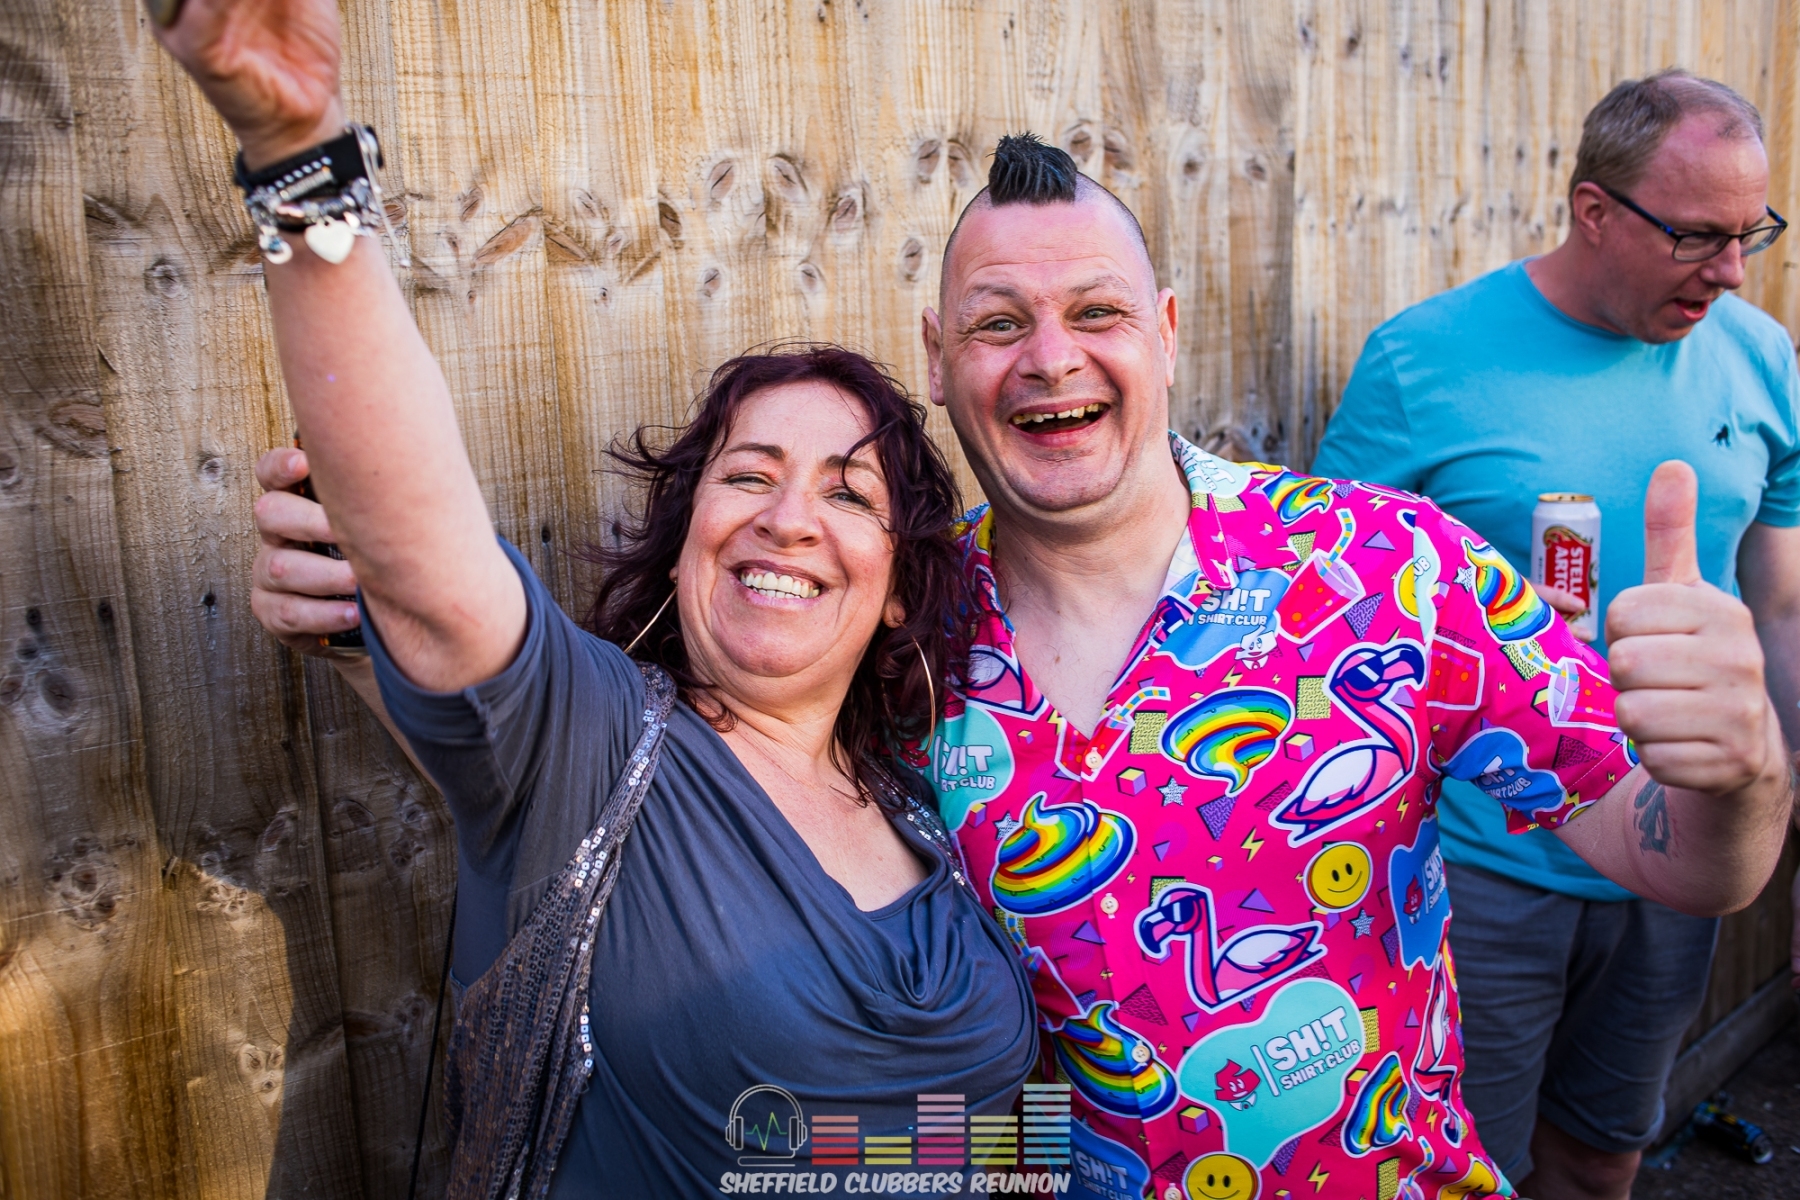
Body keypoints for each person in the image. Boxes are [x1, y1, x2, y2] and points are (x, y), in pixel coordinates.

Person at [247, 106, 1792, 1200]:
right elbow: (649, 776)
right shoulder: (894, 633)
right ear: (942, 361)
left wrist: (1736, 779)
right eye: (998, 323)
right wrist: (376, 595)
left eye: (1095, 311)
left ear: (1165, 330)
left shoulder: (1388, 564)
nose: (1052, 357)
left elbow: (1679, 862)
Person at [151, 5, 1037, 1198]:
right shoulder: (589, 746)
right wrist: (297, 152)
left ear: (894, 588)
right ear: (682, 548)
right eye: (749, 476)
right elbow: (429, 566)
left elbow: (955, 1143)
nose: (789, 518)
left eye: (847, 493)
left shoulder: (925, 804)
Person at [1312, 69, 1800, 1200]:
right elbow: (1330, 619)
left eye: (1751, 234)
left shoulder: (1763, 359)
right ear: (1594, 211)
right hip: (1479, 874)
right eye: (1697, 236)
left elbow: (1781, 607)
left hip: (1676, 866)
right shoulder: (1421, 362)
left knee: (1602, 1155)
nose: (1731, 271)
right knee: (1460, 1170)